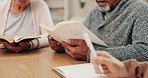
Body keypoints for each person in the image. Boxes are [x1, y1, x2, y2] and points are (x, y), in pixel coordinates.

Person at [48, 0, 148, 62]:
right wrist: (63, 44)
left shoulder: (140, 9)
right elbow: (80, 39)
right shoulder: (96, 12)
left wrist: (93, 53)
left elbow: (144, 51)